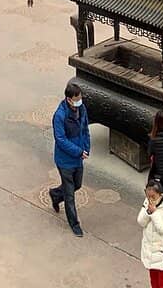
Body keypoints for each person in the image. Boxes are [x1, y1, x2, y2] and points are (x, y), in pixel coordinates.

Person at [49, 80, 90, 238]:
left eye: (80, 98)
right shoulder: (59, 116)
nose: (79, 102)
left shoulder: (82, 109)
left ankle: (55, 194)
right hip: (65, 160)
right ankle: (74, 224)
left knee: (77, 185)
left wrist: (86, 148)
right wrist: (78, 151)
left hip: (78, 157)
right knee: (70, 194)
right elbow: (61, 140)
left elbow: (85, 129)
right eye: (76, 99)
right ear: (68, 99)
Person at [137, 177, 163, 288]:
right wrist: (148, 212)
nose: (150, 200)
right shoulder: (147, 203)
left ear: (161, 195)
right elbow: (141, 222)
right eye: (148, 196)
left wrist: (154, 213)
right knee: (153, 281)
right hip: (149, 250)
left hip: (162, 253)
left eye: (153, 197)